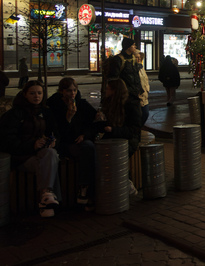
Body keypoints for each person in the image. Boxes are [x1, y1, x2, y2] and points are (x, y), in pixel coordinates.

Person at [0, 80, 60, 217]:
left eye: (39, 93)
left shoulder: (46, 112)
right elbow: (7, 140)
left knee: (51, 154)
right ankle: (47, 201)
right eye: (32, 93)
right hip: (21, 157)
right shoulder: (15, 114)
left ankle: (46, 197)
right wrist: (31, 145)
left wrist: (54, 141)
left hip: (42, 154)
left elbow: (55, 132)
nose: (36, 96)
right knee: (47, 164)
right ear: (25, 94)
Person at [47, 77, 98, 210]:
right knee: (86, 153)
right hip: (63, 144)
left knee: (90, 148)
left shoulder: (81, 104)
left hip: (79, 142)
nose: (72, 93)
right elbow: (57, 132)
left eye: (74, 90)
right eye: (69, 91)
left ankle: (84, 188)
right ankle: (87, 195)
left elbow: (94, 122)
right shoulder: (54, 105)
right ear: (62, 91)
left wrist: (85, 135)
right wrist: (68, 118)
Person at [92, 78, 142, 196]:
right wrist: (100, 121)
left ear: (115, 91)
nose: (106, 91)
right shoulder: (109, 102)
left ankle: (125, 183)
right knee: (100, 152)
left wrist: (114, 130)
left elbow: (134, 129)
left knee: (114, 154)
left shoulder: (130, 104)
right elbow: (106, 124)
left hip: (128, 138)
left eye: (108, 89)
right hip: (114, 136)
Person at [108, 37, 143, 102]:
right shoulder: (118, 59)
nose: (135, 46)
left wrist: (139, 89)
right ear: (128, 47)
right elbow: (114, 78)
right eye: (133, 45)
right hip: (124, 96)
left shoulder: (133, 59)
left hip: (135, 95)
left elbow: (136, 75)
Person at [135, 51, 150, 126]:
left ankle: (138, 128)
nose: (138, 59)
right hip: (138, 96)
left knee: (145, 113)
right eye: (137, 57)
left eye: (140, 58)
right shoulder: (133, 69)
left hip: (144, 96)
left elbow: (145, 80)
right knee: (140, 115)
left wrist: (147, 90)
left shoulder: (141, 68)